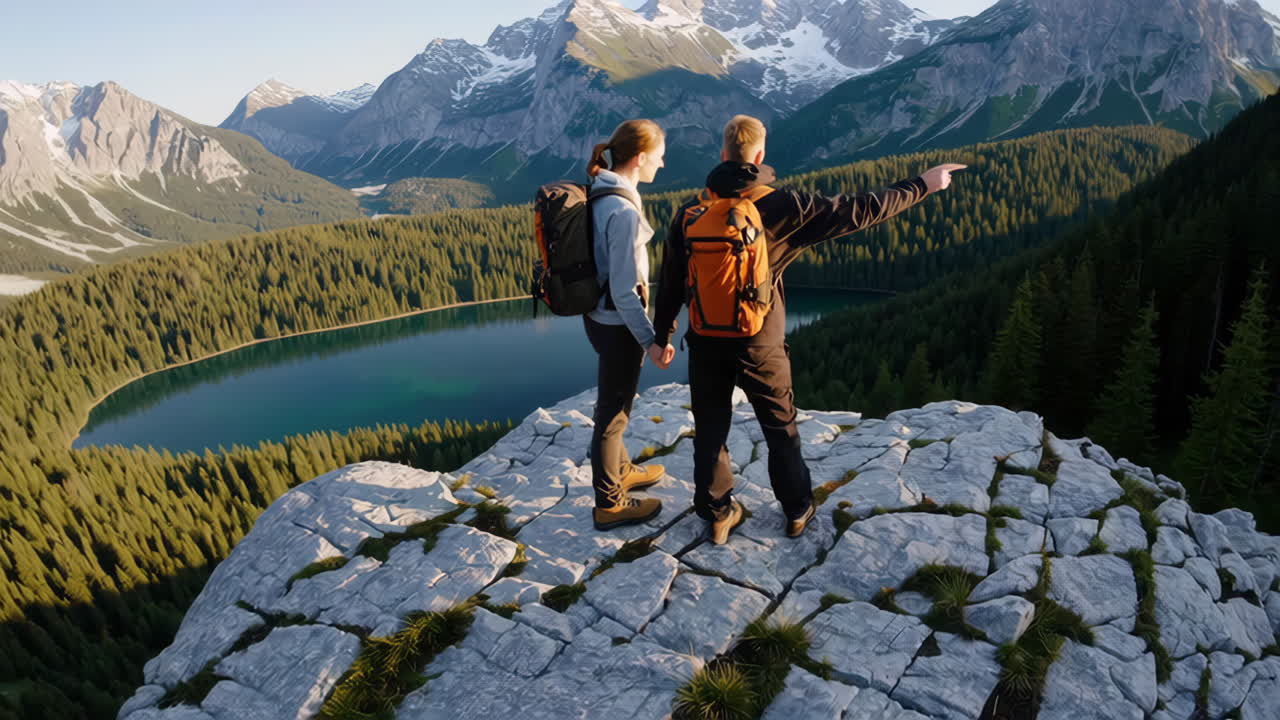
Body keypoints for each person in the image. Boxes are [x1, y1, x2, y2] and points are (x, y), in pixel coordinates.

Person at [651, 114, 965, 544]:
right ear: (760, 156)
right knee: (780, 426)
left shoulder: (690, 211)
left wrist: (662, 335)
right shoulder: (785, 206)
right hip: (761, 340)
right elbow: (861, 209)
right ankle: (797, 508)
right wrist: (923, 185)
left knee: (710, 427)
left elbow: (670, 280)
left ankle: (717, 511)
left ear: (723, 154)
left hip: (705, 338)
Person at [582, 119, 678, 531]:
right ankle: (610, 503)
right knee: (613, 414)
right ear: (640, 159)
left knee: (615, 405)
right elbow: (625, 292)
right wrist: (652, 341)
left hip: (597, 317)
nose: (663, 162)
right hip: (618, 324)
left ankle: (621, 470)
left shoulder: (602, 191)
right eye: (659, 155)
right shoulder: (622, 210)